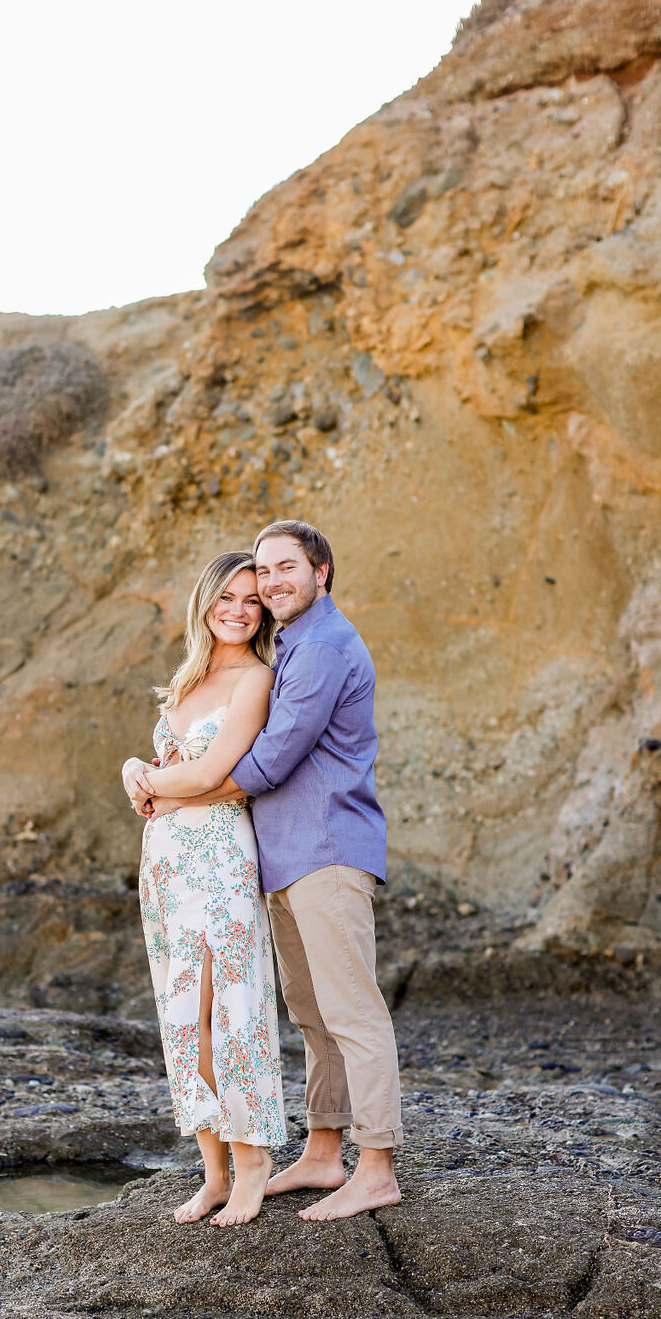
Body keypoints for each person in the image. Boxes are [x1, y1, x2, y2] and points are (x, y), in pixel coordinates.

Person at [127, 520, 403, 1222]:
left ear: (323, 571)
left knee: (351, 1010)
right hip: (280, 856)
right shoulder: (292, 646)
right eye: (262, 570)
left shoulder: (321, 650)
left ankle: (375, 1168)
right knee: (312, 1013)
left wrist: (161, 786)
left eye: (285, 568)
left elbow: (263, 765)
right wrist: (152, 773)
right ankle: (322, 1149)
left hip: (326, 847)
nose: (271, 584)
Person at [121, 551, 287, 1227]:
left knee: (229, 1012)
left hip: (218, 854)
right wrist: (142, 764)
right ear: (205, 602)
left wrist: (143, 775)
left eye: (252, 600)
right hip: (164, 863)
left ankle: (253, 1166)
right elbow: (171, 766)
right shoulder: (189, 679)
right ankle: (212, 1171)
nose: (240, 610)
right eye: (228, 597)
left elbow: (217, 771)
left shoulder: (256, 678)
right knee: (182, 1015)